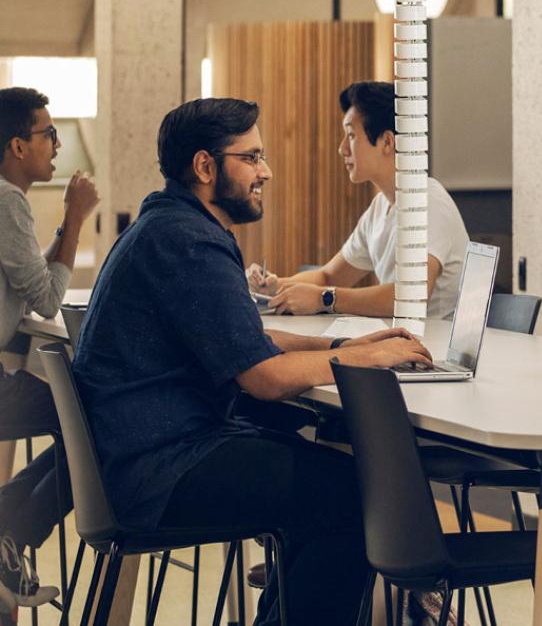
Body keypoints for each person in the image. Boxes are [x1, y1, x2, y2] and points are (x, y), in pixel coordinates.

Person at [72, 97, 433, 626]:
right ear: (204, 166)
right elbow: (264, 378)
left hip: (137, 457)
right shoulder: (190, 241)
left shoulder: (168, 226)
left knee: (326, 478)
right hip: (160, 469)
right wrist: (373, 358)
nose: (266, 171)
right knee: (357, 497)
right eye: (252, 158)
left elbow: (247, 337)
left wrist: (341, 349)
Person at [0, 87, 99, 620]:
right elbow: (47, 297)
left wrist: (63, 225)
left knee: (76, 417)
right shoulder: (6, 200)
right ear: (19, 146)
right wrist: (76, 216)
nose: (56, 146)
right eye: (48, 134)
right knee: (90, 419)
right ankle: (11, 530)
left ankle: (7, 531)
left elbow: (29, 280)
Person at [248, 81, 469, 318]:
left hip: (435, 348)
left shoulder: (427, 201)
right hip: (401, 341)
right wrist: (275, 285)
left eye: (351, 135)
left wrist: (326, 298)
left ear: (387, 142)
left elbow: (411, 296)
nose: (342, 149)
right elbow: (329, 276)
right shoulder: (381, 206)